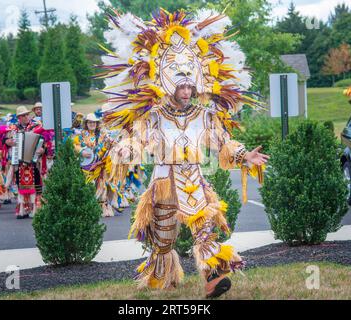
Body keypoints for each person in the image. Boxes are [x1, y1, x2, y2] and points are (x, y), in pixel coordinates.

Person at [98, 8, 269, 298]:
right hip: (164, 184)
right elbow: (137, 141)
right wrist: (122, 152)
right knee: (164, 241)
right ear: (166, 83)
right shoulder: (153, 116)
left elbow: (223, 141)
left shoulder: (204, 116)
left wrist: (243, 156)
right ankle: (163, 273)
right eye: (182, 85)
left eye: (191, 85)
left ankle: (214, 276)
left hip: (195, 182)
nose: (187, 90)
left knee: (205, 230)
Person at [4, 106, 45, 219]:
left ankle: (35, 209)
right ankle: (23, 209)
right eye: (23, 115)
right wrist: (10, 142)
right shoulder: (13, 128)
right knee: (20, 186)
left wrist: (42, 150)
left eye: (27, 114)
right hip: (19, 162)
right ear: (19, 117)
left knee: (36, 184)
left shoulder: (36, 126)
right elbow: (5, 140)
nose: (26, 116)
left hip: (33, 161)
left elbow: (43, 142)